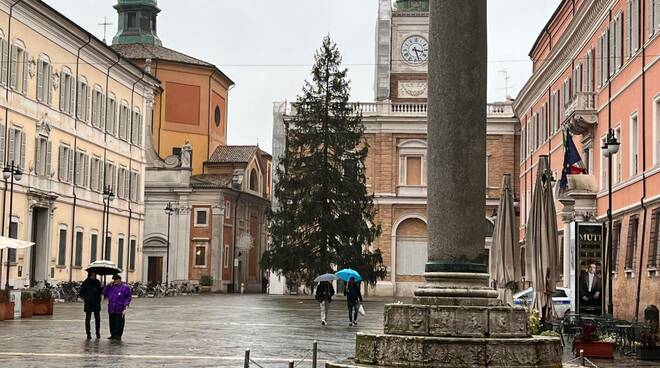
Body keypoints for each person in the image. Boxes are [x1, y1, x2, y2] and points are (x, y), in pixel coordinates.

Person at [103, 274, 132, 340]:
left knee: (119, 322)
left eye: (116, 279)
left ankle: (118, 335)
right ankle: (112, 334)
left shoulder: (125, 287)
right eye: (114, 280)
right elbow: (105, 293)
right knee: (112, 322)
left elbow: (128, 297)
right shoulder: (111, 287)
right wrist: (107, 286)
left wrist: (126, 305)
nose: (114, 281)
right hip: (111, 308)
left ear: (119, 280)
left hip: (120, 308)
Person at [79, 271, 102, 339]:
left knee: (97, 319)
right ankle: (88, 333)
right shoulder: (86, 282)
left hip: (96, 303)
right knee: (88, 319)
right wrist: (86, 298)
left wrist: (101, 289)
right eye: (93, 274)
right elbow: (81, 293)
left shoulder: (97, 282)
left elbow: (100, 292)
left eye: (95, 274)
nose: (94, 275)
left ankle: (97, 332)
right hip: (88, 303)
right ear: (90, 274)